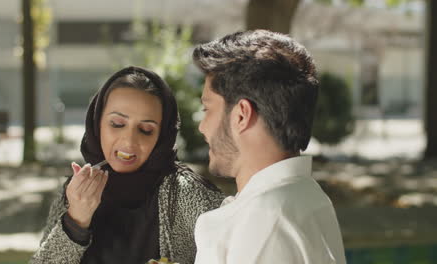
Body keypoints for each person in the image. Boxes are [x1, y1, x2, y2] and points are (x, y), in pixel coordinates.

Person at [30, 66, 225, 264]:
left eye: (146, 130)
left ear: (162, 135)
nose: (129, 141)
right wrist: (75, 221)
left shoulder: (187, 193)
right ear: (97, 123)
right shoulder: (76, 191)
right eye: (117, 124)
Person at [192, 30, 346, 264]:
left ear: (241, 115)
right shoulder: (305, 197)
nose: (203, 127)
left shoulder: (265, 221)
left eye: (207, 109)